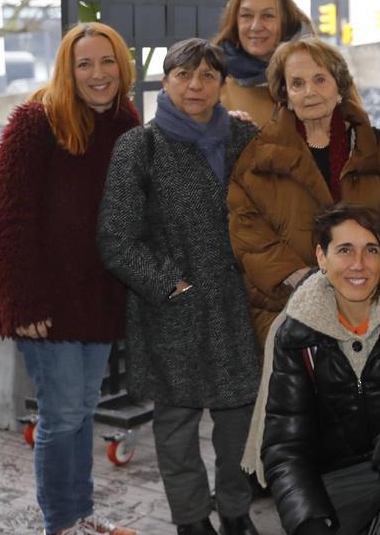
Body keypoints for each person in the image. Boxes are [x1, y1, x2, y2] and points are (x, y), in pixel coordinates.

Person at [97, 39, 261, 535]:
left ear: (222, 84)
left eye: (208, 76)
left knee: (239, 422)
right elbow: (115, 238)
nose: (196, 85)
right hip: (173, 309)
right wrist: (173, 287)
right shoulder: (139, 146)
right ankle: (191, 520)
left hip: (237, 307)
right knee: (176, 425)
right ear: (165, 81)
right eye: (184, 74)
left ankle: (235, 510)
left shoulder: (243, 138)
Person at [0, 23, 140, 535]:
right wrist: (22, 302)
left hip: (95, 300)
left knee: (82, 410)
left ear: (122, 66)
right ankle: (61, 523)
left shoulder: (125, 121)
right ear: (67, 71)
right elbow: (6, 217)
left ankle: (81, 514)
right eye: (85, 64)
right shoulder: (37, 119)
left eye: (107, 61)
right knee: (61, 415)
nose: (98, 74)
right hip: (45, 302)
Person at [243, 204, 380, 535]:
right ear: (321, 257)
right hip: (337, 475)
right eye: (345, 250)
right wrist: (308, 521)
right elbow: (285, 446)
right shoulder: (296, 334)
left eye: (371, 250)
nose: (358, 265)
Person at [229, 37, 380, 344]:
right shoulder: (259, 154)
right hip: (287, 307)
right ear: (285, 94)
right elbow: (247, 230)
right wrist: (303, 279)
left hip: (366, 302)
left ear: (339, 88)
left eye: (320, 80)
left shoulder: (371, 146)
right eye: (297, 83)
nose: (309, 92)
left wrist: (364, 271)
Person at [212, 0, 312, 126]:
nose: (255, 26)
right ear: (235, 22)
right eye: (246, 15)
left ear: (286, 22)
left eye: (267, 16)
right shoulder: (213, 79)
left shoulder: (322, 71)